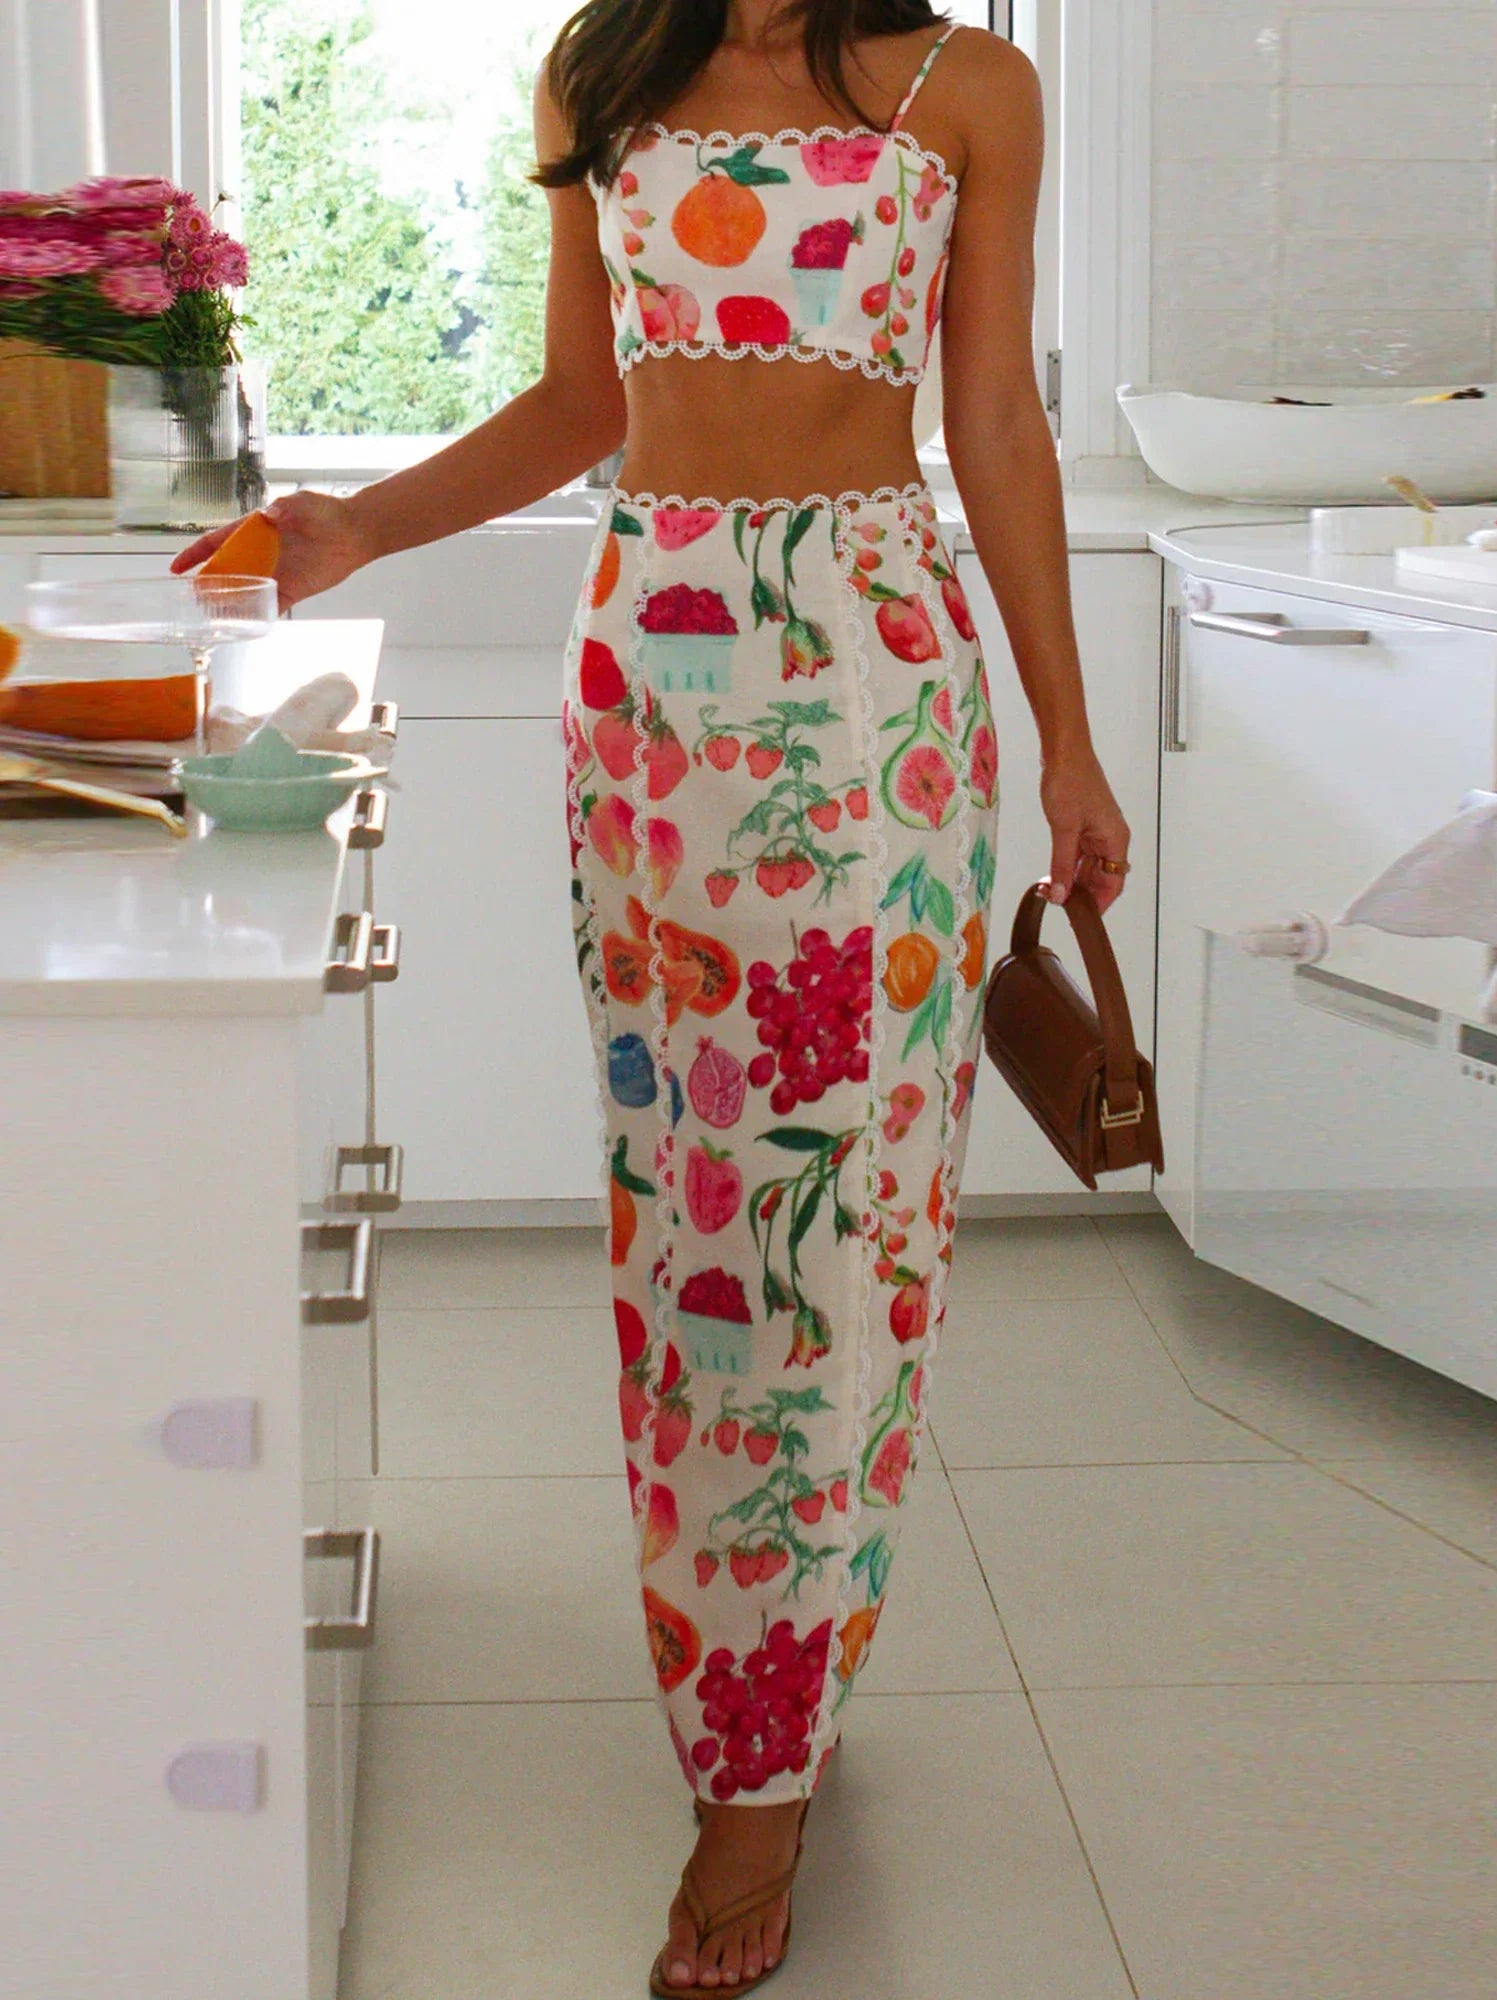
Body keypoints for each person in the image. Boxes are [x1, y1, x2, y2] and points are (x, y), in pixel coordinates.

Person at [177, 3, 1130, 1990]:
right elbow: (578, 403)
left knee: (850, 1222)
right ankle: (757, 1685)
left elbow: (996, 422)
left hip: (876, 678)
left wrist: (1068, 738)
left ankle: (765, 1754)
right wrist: (363, 524)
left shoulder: (970, 88)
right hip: (652, 681)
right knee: (694, 1213)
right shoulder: (600, 70)